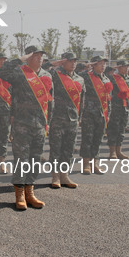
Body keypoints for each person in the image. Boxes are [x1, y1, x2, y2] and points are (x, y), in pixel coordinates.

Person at [0, 45, 53, 210]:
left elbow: (51, 100)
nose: (39, 59)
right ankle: (19, 193)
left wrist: (48, 121)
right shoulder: (19, 72)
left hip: (40, 125)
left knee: (35, 160)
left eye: (41, 56)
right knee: (21, 160)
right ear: (28, 57)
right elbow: (2, 72)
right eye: (35, 56)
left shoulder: (47, 75)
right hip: (22, 124)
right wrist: (19, 59)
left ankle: (30, 191)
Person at [48, 52, 85, 188]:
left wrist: (80, 117)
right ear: (63, 61)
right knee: (56, 148)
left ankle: (65, 175)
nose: (73, 63)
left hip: (73, 120)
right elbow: (41, 72)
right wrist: (53, 63)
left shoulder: (80, 79)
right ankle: (55, 176)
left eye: (75, 61)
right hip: (57, 118)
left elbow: (82, 100)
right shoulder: (55, 75)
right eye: (70, 61)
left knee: (68, 149)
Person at [79, 56, 111, 174]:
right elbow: (76, 75)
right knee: (87, 138)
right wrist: (85, 66)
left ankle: (95, 164)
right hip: (89, 113)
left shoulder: (106, 79)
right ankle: (86, 164)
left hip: (102, 113)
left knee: (98, 139)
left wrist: (108, 114)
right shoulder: (87, 77)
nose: (103, 66)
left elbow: (108, 98)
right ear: (94, 65)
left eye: (104, 64)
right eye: (100, 64)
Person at [106, 60, 129, 159]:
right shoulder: (112, 78)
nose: (126, 68)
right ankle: (112, 151)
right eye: (124, 66)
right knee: (113, 129)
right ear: (118, 68)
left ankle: (119, 150)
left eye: (127, 67)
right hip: (115, 108)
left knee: (122, 129)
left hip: (125, 107)